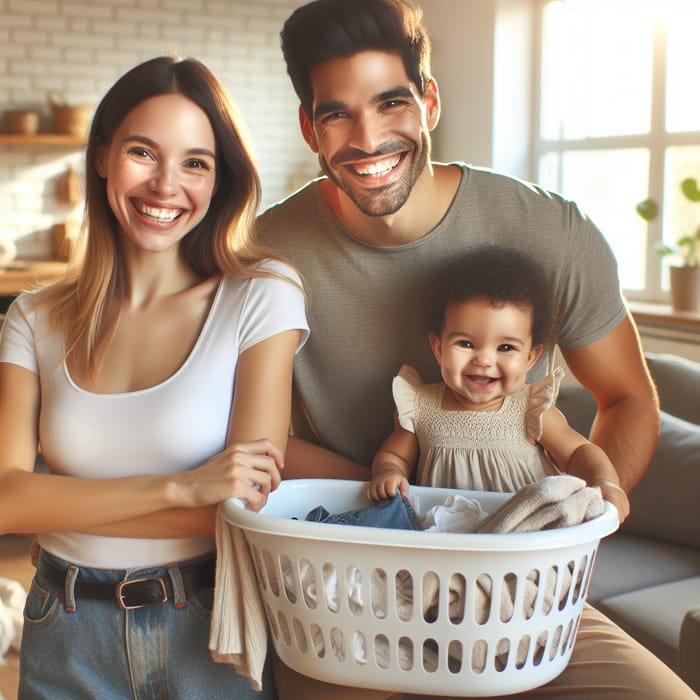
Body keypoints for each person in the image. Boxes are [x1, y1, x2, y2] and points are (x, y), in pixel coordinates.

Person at [255, 0, 698, 698]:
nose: (367, 138)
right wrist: (407, 510)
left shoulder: (553, 233)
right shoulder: (264, 255)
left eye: (391, 101)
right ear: (310, 127)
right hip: (351, 599)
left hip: (527, 594)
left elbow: (627, 397)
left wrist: (568, 529)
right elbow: (257, 442)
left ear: (429, 101)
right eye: (336, 112)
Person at [0, 56, 308, 699]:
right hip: (64, 626)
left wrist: (57, 508)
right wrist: (183, 486)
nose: (167, 185)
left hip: (208, 627)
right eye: (144, 152)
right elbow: (6, 501)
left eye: (196, 161)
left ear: (220, 179)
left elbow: (241, 508)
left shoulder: (260, 296)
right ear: (104, 156)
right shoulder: (32, 318)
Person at [368, 245, 629, 522]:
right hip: (446, 539)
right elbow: (395, 456)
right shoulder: (420, 407)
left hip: (523, 536)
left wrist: (605, 483)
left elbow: (578, 451)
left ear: (530, 358)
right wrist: (389, 473)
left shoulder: (530, 409)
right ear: (439, 348)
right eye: (466, 344)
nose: (483, 360)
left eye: (505, 347)